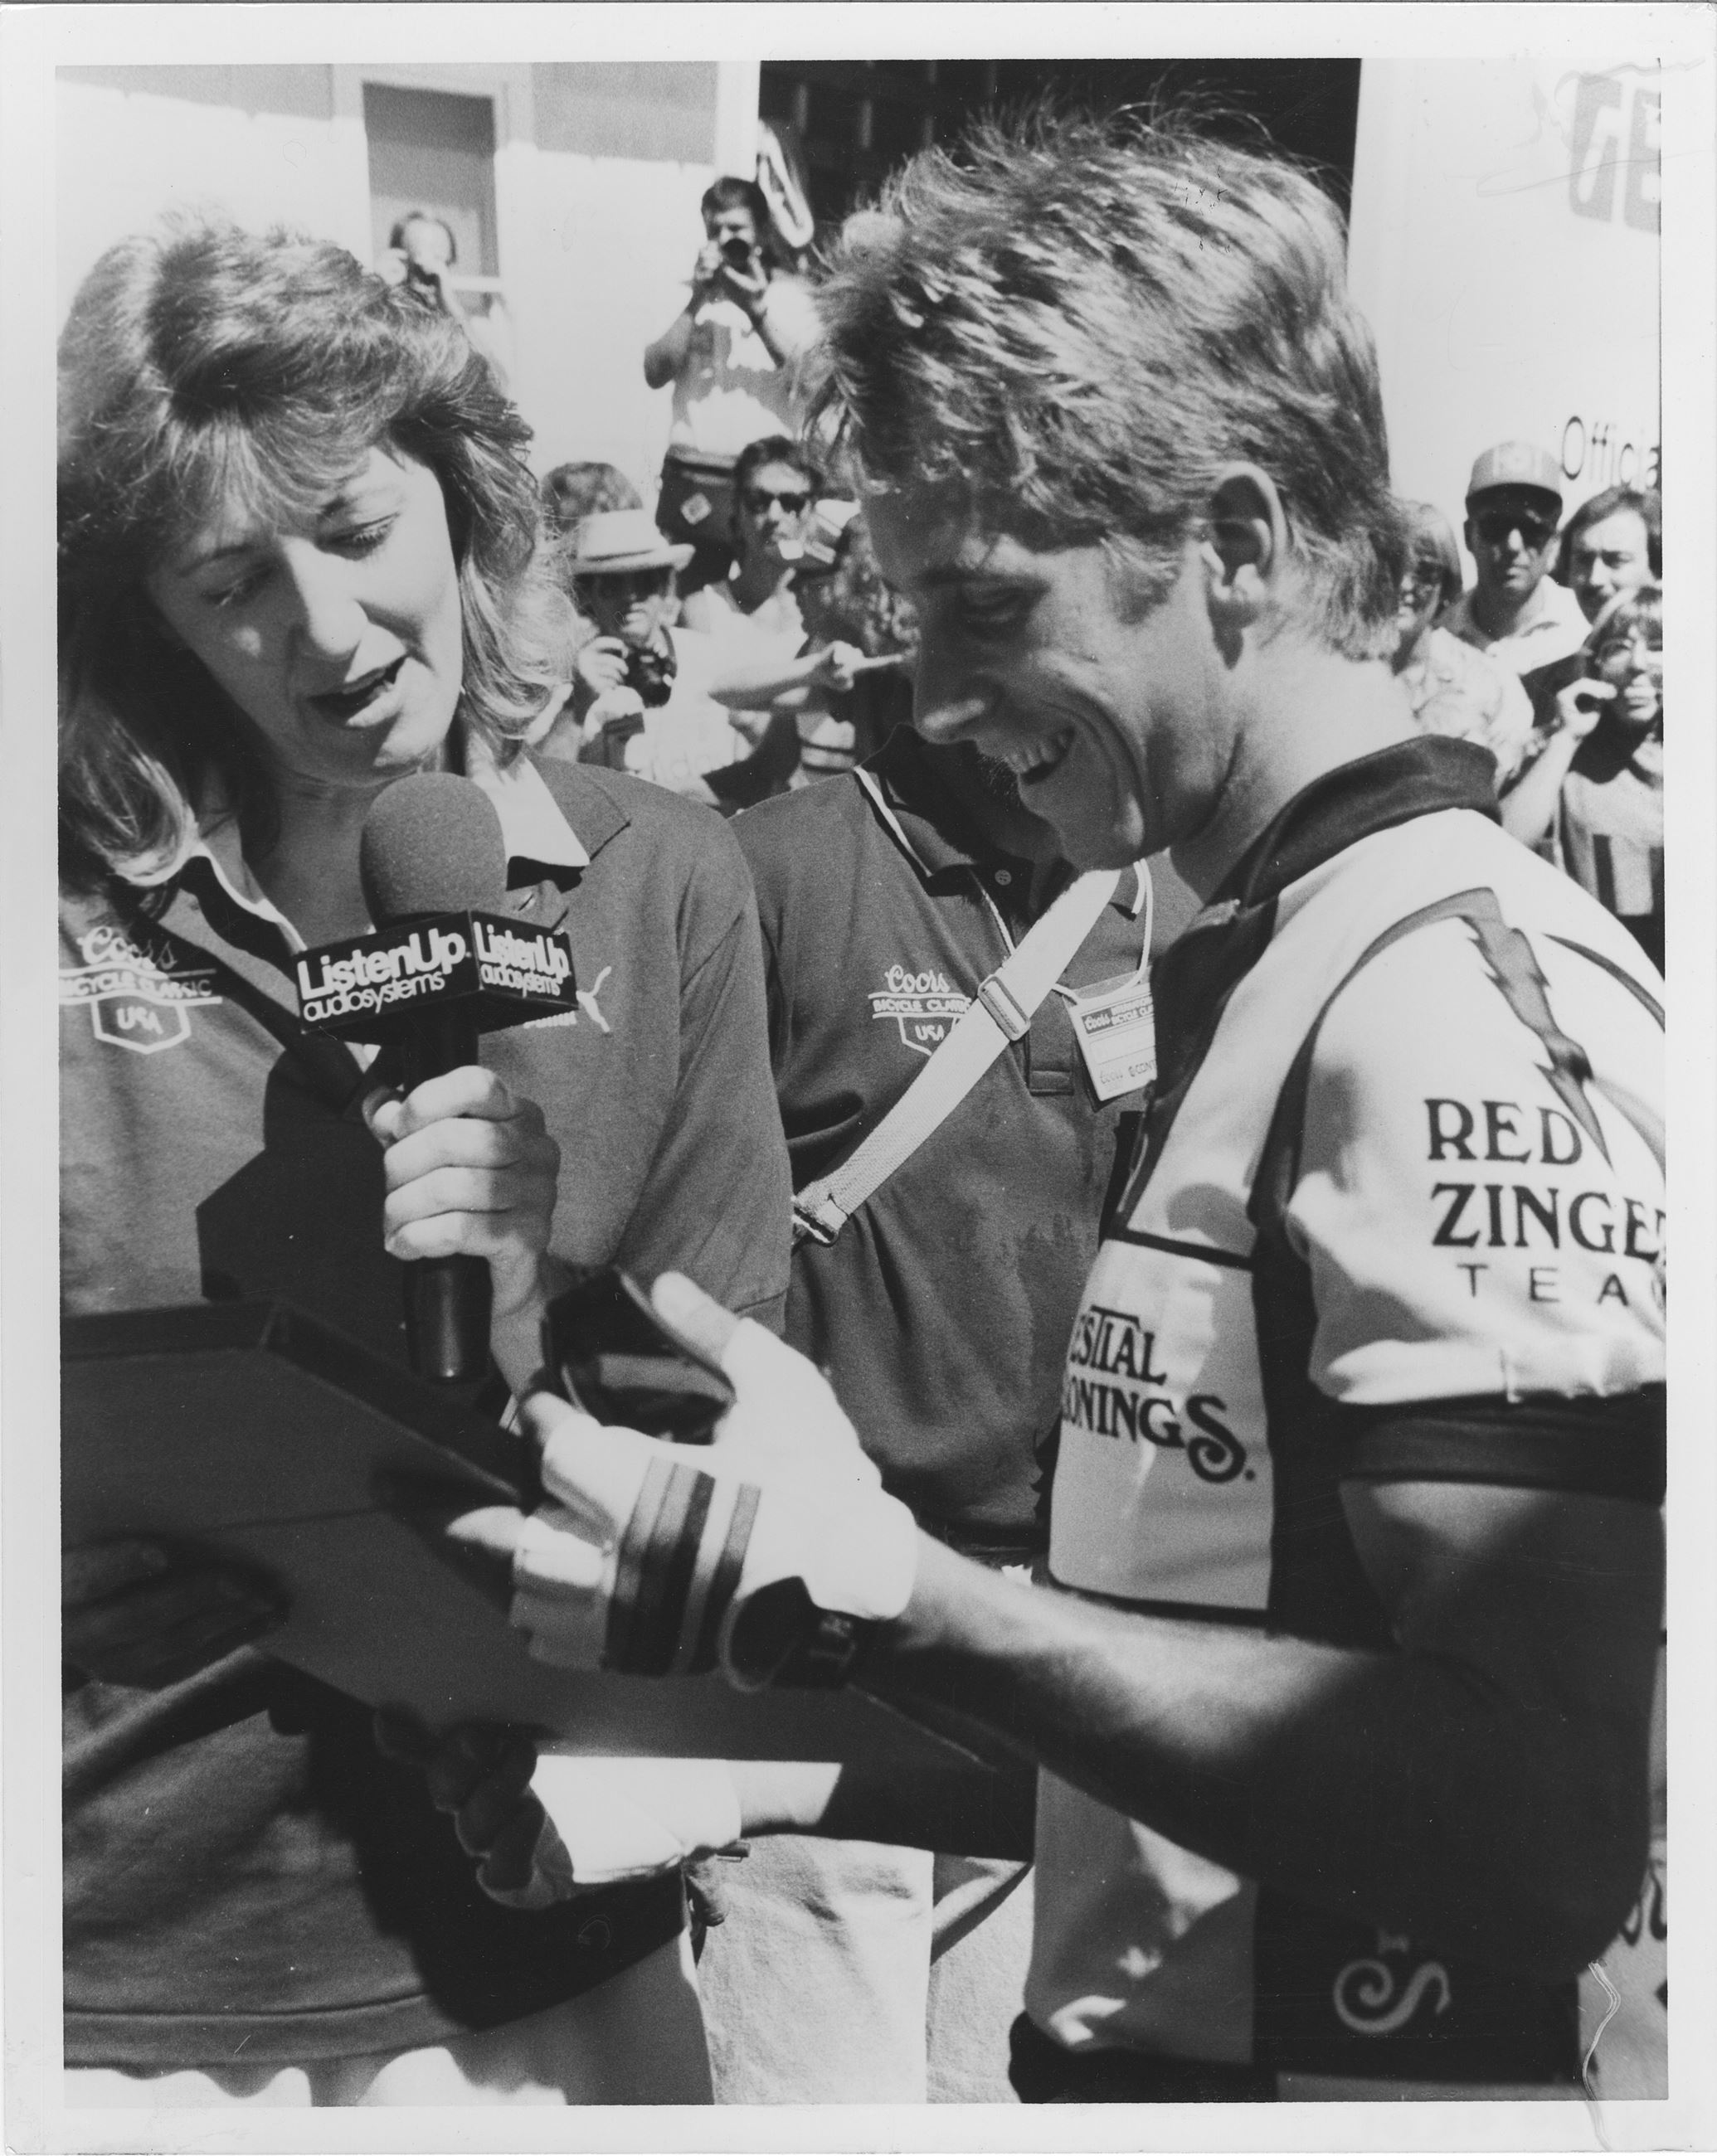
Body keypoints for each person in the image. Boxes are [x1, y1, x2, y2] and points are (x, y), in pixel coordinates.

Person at [426, 112, 1666, 2106]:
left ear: (1239, 547)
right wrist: (710, 1730)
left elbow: (1533, 1824)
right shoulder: (1253, 941)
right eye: (903, 605)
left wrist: (901, 1592)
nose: (918, 693)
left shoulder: (1442, 992)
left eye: (984, 606)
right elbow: (1174, 1699)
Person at [56, 217, 791, 2106]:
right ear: (146, 616)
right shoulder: (56, 926)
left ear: (464, 505)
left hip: (548, 1943)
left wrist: (547, 1316)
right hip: (131, 1983)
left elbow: (738, 1449)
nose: (321, 631)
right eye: (232, 582)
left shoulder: (664, 877)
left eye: (359, 532)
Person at [689, 726, 1201, 2103]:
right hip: (825, 1610)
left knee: (997, 2096)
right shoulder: (774, 869)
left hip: (1045, 1606)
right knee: (818, 2095)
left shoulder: (1144, 894)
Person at [644, 178, 820, 597]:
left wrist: (757, 312)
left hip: (770, 491)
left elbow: (815, 382)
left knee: (774, 602)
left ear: (760, 231)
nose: (725, 239)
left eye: (737, 229)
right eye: (714, 230)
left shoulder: (793, 297)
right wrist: (697, 300)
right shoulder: (687, 296)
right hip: (698, 483)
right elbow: (654, 371)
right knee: (690, 602)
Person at [556, 507, 787, 806]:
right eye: (613, 585)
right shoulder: (568, 677)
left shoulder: (714, 657)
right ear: (589, 595)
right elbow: (543, 790)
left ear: (665, 586)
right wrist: (576, 706)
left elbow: (775, 765)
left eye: (645, 581)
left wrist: (750, 722)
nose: (630, 597)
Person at [1501, 585, 1664, 972]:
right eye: (1619, 648)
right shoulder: (1565, 751)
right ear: (1595, 665)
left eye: (1659, 646)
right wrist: (1566, 737)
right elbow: (1506, 841)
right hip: (1593, 971)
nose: (1638, 664)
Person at [1390, 502, 1533, 786]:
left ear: (1446, 584)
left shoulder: (1494, 685)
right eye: (1392, 567)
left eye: (1424, 571)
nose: (1405, 585)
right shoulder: (1342, 668)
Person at [1518, 486, 1662, 734]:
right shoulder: (1538, 687)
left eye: (1616, 560)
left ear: (1659, 569)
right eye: (1583, 560)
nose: (1595, 579)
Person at [1441, 440, 1587, 676]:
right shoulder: (1441, 635)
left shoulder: (1581, 629)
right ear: (1469, 536)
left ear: (1554, 542)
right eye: (1496, 526)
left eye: (1532, 529)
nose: (1513, 546)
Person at [379, 209, 513, 392]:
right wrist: (380, 292)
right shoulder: (381, 321)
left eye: (440, 262)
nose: (428, 278)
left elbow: (498, 386)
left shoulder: (458, 327)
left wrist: (450, 304)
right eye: (416, 265)